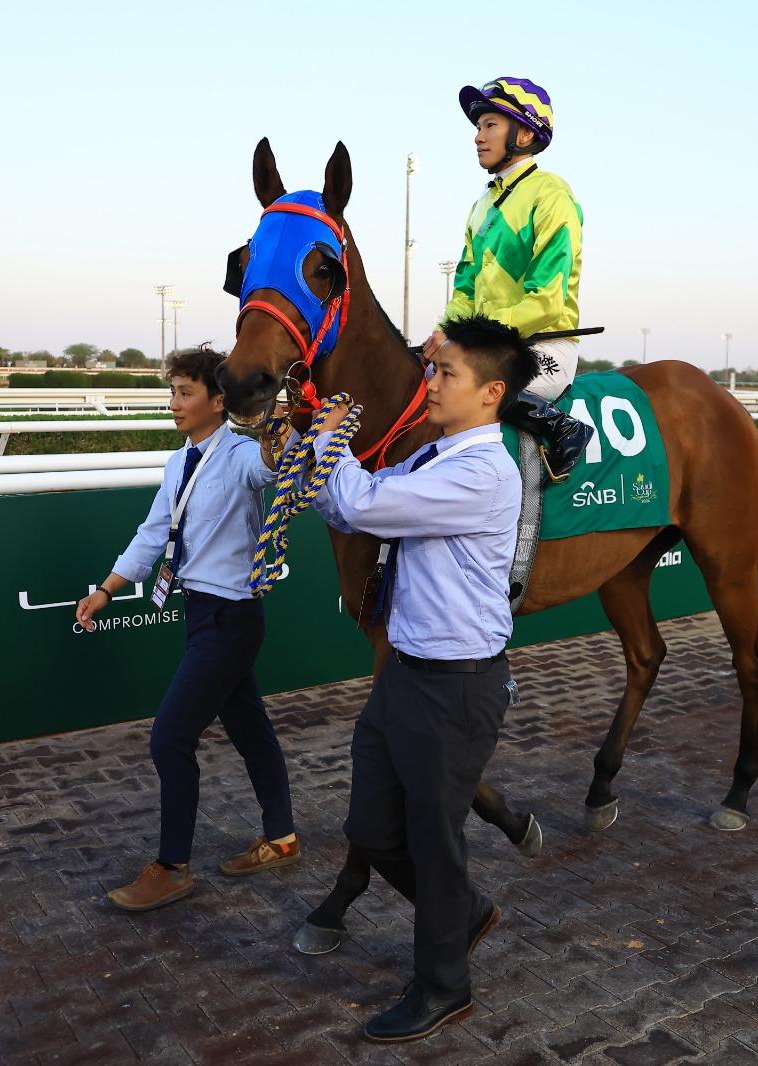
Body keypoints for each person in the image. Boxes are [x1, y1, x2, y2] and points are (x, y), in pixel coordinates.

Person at [309, 316, 536, 1042]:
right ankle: (464, 913)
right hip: (405, 676)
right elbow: (342, 500)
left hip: (456, 689)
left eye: (447, 375)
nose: (430, 383)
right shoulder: (435, 457)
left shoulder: (480, 470)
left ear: (491, 392)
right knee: (371, 829)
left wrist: (329, 436)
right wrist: (315, 452)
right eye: (433, 371)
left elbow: (361, 503)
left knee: (434, 841)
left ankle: (445, 985)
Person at [76, 345, 299, 911]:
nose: (173, 403)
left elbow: (280, 463)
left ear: (218, 400)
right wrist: (105, 589)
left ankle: (173, 867)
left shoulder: (243, 456)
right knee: (250, 730)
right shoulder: (180, 461)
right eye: (171, 391)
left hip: (232, 617)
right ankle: (282, 837)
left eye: (184, 392)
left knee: (170, 737)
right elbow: (154, 532)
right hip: (201, 612)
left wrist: (278, 419)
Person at [422, 76, 593, 484]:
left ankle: (561, 426)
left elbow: (547, 301)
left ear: (525, 133)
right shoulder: (482, 204)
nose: (478, 137)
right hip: (482, 344)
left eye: (490, 125)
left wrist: (469, 338)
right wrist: (444, 330)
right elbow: (465, 287)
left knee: (467, 391)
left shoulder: (551, 195)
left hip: (541, 344)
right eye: (478, 127)